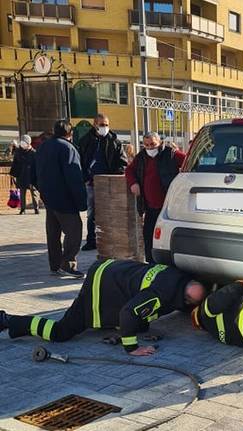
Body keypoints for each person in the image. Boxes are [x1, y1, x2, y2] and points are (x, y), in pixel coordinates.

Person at [0, 259, 205, 356]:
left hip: (111, 270)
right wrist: (133, 348)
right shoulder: (161, 295)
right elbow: (128, 312)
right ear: (186, 300)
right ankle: (9, 321)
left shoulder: (177, 274)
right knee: (60, 332)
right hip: (99, 286)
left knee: (139, 322)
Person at [35, 120, 87, 278]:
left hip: (48, 198)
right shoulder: (67, 148)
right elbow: (74, 177)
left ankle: (55, 265)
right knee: (74, 231)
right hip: (65, 199)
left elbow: (34, 170)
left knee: (53, 233)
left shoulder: (43, 146)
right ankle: (68, 263)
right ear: (70, 134)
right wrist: (81, 201)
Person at [125, 132, 186, 263]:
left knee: (166, 237)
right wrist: (133, 183)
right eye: (146, 145)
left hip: (167, 206)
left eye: (153, 144)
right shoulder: (141, 157)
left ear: (159, 143)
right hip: (150, 207)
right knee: (148, 236)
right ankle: (151, 263)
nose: (150, 148)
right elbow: (129, 170)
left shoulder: (170, 154)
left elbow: (188, 161)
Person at [79, 114, 128, 251]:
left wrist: (115, 176)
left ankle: (111, 239)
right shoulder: (86, 141)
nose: (104, 127)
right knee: (92, 213)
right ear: (95, 124)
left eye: (106, 124)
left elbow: (122, 162)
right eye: (101, 125)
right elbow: (81, 162)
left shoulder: (115, 141)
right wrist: (86, 178)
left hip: (109, 183)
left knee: (111, 212)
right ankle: (91, 240)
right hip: (92, 183)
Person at [9, 135, 39, 215]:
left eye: (24, 143)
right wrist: (13, 174)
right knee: (22, 192)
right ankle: (22, 209)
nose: (22, 144)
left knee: (34, 192)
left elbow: (37, 165)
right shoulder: (18, 152)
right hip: (21, 174)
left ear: (29, 143)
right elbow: (15, 163)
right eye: (21, 142)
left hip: (31, 175)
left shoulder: (34, 153)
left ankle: (36, 208)